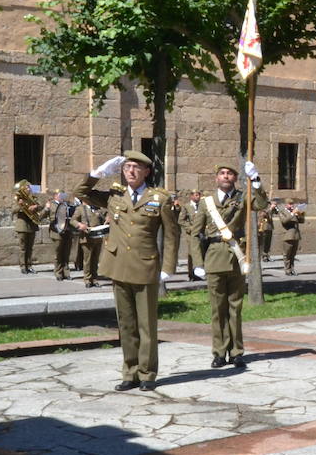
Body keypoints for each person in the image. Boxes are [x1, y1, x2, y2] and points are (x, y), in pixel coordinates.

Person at [74, 150, 180, 391]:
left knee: (146, 325)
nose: (130, 171)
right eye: (127, 167)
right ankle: (129, 372)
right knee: (126, 324)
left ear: (146, 172)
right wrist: (97, 173)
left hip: (145, 267)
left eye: (136, 167)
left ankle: (147, 374)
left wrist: (168, 268)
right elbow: (79, 193)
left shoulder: (159, 198)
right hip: (119, 265)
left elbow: (172, 236)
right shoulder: (114, 195)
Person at [192, 163, 267, 370]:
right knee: (218, 310)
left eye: (230, 174)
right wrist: (198, 263)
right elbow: (194, 233)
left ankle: (236, 352)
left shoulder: (243, 197)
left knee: (235, 308)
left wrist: (257, 181)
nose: (226, 176)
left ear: (235, 178)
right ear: (216, 178)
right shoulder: (207, 202)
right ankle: (218, 352)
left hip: (236, 258)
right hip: (214, 258)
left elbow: (261, 204)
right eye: (222, 173)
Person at [72, 197, 107, 287]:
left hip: (97, 237)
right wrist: (80, 225)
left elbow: (105, 214)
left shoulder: (97, 208)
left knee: (95, 260)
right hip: (86, 237)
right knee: (87, 260)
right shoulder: (80, 208)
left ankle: (94, 278)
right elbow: (73, 220)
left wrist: (107, 218)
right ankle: (87, 279)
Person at [12, 180, 43, 274]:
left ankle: (29, 265)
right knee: (23, 248)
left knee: (30, 247)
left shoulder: (33, 197)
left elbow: (41, 205)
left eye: (29, 187)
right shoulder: (18, 198)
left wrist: (35, 207)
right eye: (27, 187)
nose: (28, 189)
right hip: (22, 226)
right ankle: (23, 266)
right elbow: (13, 210)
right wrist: (21, 206)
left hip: (32, 225)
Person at [48, 190, 74, 280]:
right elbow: (41, 216)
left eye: (63, 195)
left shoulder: (67, 204)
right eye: (60, 195)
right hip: (56, 232)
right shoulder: (51, 204)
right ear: (55, 196)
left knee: (66, 253)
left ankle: (66, 273)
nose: (62, 197)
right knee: (58, 254)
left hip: (67, 231)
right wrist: (45, 208)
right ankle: (58, 273)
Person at [277, 200, 304, 275]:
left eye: (292, 204)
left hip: (296, 236)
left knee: (293, 254)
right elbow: (284, 221)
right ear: (286, 205)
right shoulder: (282, 212)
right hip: (287, 236)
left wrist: (300, 214)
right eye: (290, 204)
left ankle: (292, 269)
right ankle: (287, 269)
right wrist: (292, 213)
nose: (292, 206)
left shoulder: (294, 212)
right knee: (287, 254)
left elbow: (302, 221)